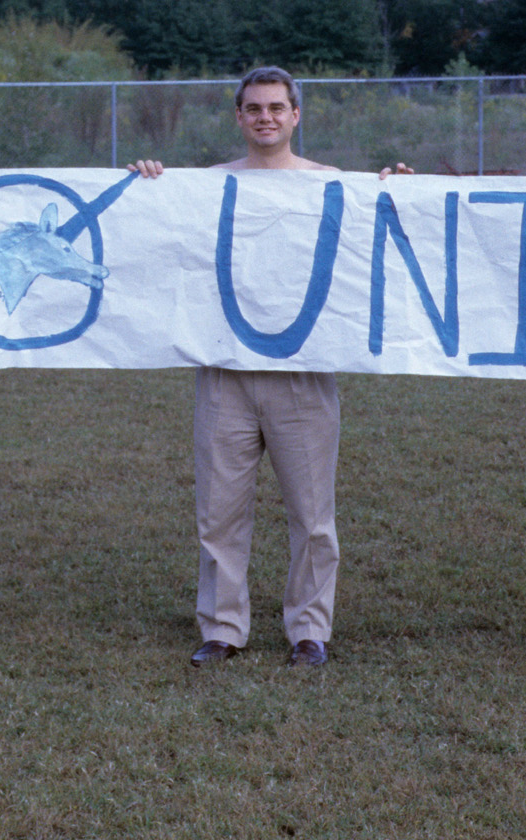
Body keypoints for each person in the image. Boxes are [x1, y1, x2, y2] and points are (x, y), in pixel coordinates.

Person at [132, 66, 408, 669]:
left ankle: (309, 629)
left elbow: (378, 235)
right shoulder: (206, 185)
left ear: (295, 115)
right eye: (254, 108)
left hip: (303, 374)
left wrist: (405, 194)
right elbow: (152, 235)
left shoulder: (330, 182)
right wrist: (147, 184)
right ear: (239, 116)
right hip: (225, 370)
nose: (266, 117)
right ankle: (222, 628)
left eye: (277, 108)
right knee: (219, 512)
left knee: (312, 515)